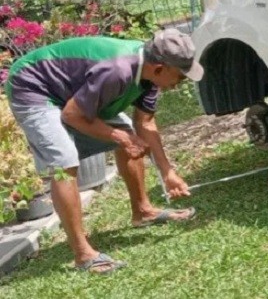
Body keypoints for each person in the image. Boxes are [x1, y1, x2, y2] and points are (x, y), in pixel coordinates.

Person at [4, 29, 204, 274]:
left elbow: (146, 124)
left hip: (69, 93)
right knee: (63, 161)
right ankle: (83, 254)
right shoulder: (117, 70)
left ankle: (143, 211)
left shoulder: (150, 75)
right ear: (160, 67)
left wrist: (168, 172)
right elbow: (72, 114)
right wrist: (120, 137)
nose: (180, 82)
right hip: (34, 86)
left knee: (129, 130)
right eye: (180, 76)